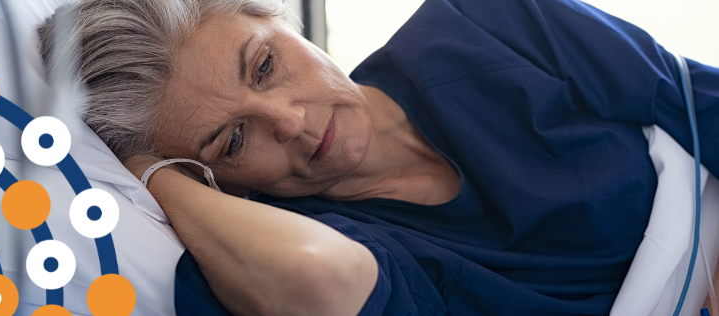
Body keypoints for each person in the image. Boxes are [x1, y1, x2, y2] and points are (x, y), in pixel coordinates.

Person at [37, 0, 719, 314]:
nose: (291, 122)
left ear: (277, 17)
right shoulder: (276, 252)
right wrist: (156, 178)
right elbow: (319, 284)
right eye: (234, 140)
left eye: (265, 65)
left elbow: (702, 106)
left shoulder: (489, 24)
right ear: (210, 176)